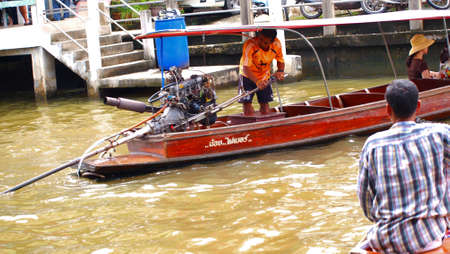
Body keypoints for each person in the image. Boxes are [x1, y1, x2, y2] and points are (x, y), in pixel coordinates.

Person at [357, 79, 449, 253]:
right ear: (418, 106)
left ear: (388, 109)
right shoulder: (439, 133)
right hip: (428, 237)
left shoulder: (372, 144)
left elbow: (366, 203)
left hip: (385, 240)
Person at [238, 29, 285, 116]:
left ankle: (265, 123)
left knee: (265, 103)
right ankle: (250, 125)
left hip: (264, 76)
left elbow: (280, 60)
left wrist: (280, 71)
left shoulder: (276, 44)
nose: (261, 43)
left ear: (271, 42)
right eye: (260, 39)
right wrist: (257, 81)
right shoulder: (250, 45)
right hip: (247, 75)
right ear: (258, 36)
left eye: (265, 42)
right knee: (247, 103)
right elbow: (246, 68)